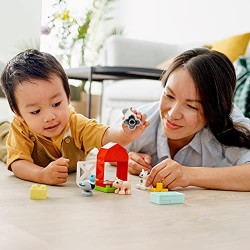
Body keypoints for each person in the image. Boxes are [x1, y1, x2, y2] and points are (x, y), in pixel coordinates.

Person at [0, 49, 149, 185]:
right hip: (8, 137)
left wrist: (126, 134)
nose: (49, 117)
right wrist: (41, 175)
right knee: (4, 137)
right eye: (36, 112)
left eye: (57, 104)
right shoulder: (20, 126)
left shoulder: (76, 123)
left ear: (68, 97)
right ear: (18, 113)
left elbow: (105, 136)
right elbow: (17, 164)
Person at [126, 48, 250, 191]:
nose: (173, 114)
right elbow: (103, 145)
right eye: (169, 96)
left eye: (191, 106)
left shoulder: (229, 124)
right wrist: (127, 160)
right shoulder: (142, 120)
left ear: (214, 111)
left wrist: (189, 175)